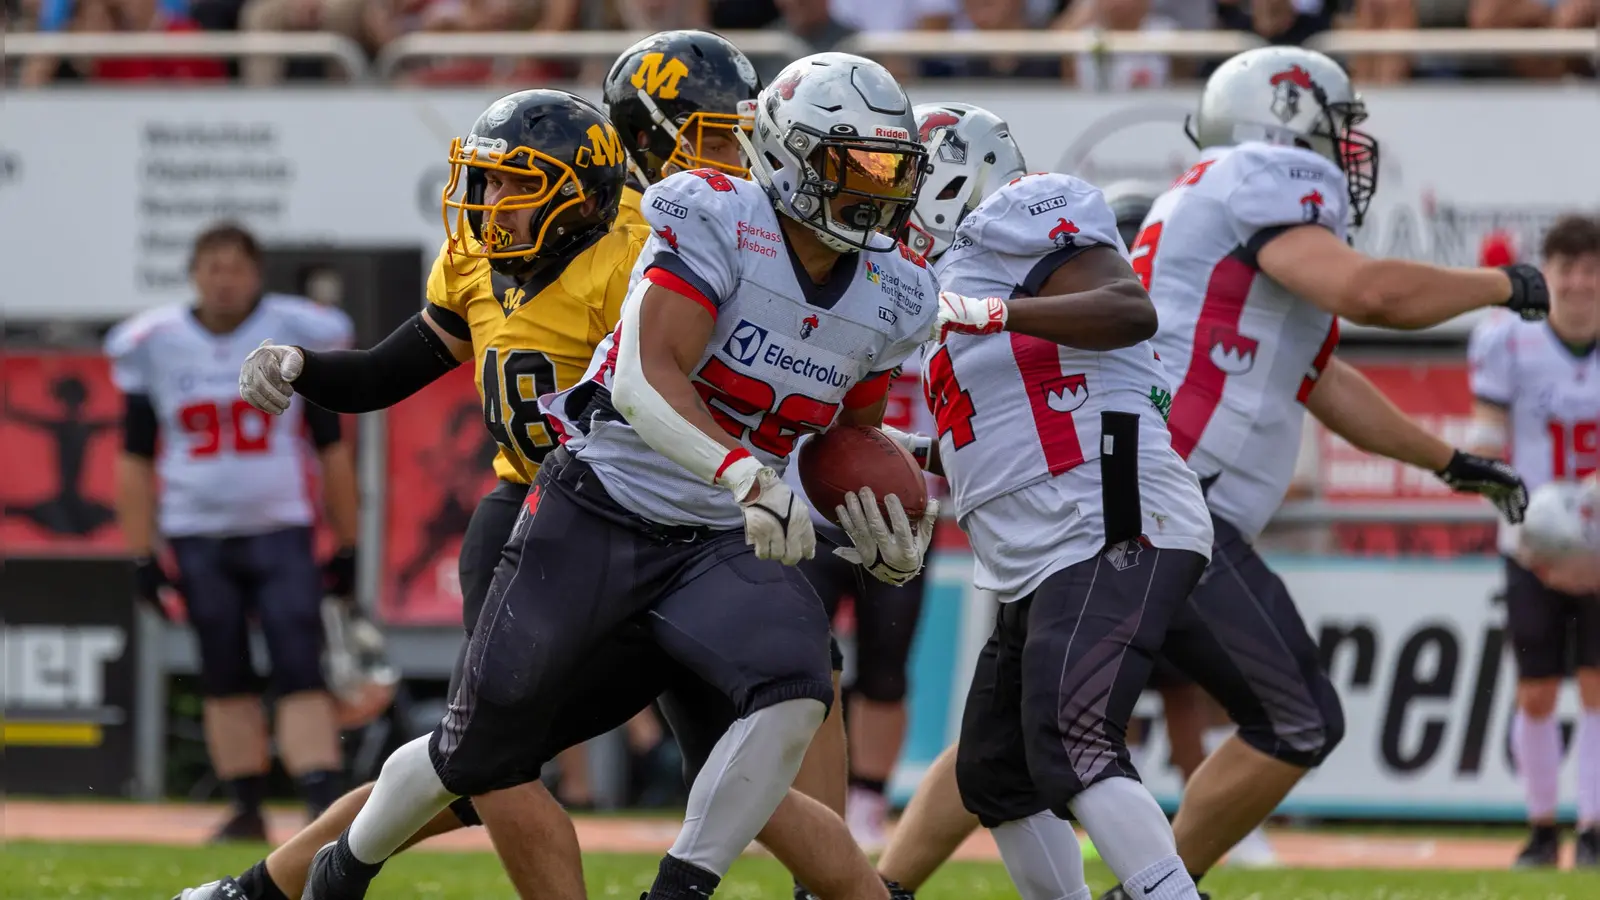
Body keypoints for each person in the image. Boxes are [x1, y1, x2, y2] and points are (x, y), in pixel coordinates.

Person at [186, 52, 904, 900]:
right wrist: (303, 366)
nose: (492, 204)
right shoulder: (521, 252)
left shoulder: (666, 242)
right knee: (486, 755)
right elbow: (390, 370)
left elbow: (773, 400)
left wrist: (861, 485)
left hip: (699, 523)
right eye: (490, 184)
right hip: (559, 517)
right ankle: (274, 884)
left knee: (764, 733)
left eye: (514, 185)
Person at [1098, 45, 1542, 898]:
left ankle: (885, 881)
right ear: (1285, 122)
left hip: (1136, 482)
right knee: (1295, 715)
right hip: (1174, 498)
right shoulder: (1263, 176)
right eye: (1337, 126)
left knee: (1020, 732)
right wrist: (1502, 283)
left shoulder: (1219, 201)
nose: (1346, 149)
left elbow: (1321, 379)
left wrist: (1449, 460)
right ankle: (1152, 889)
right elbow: (1374, 295)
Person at [106, 222, 360, 842]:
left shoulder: (297, 329)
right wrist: (140, 553)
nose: (224, 280)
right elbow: (134, 458)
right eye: (212, 267)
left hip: (280, 526)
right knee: (222, 669)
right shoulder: (152, 342)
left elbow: (331, 448)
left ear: (257, 274)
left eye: (236, 267)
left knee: (300, 662)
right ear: (194, 273)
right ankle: (246, 806)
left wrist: (348, 541)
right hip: (196, 531)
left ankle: (320, 803)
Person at [1466, 213, 1600, 868]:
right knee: (1537, 690)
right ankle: (1543, 828)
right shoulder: (1508, 340)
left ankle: (1594, 829)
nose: (1579, 283)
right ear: (1548, 273)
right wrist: (1526, 531)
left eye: (1591, 269)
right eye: (1567, 268)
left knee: (1599, 688)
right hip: (1530, 543)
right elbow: (1486, 442)